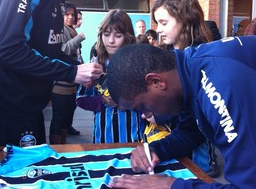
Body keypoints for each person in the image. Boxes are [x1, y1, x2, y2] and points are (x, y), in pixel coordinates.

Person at [0, 0, 118, 147]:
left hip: (28, 105)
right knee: (20, 173)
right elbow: (7, 49)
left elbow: (48, 50)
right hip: (7, 104)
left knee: (37, 170)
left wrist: (78, 68)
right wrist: (71, 73)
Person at [107, 37, 256, 188]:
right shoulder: (187, 71)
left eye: (142, 107)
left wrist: (170, 185)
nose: (148, 114)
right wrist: (155, 150)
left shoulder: (221, 88)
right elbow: (191, 132)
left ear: (156, 81)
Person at [151, 0, 218, 177]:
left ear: (185, 19)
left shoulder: (202, 58)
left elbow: (193, 120)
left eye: (164, 23)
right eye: (158, 23)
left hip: (196, 146)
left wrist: (160, 115)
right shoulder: (168, 54)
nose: (158, 29)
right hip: (173, 138)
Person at [76, 9, 144, 143]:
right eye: (106, 34)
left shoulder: (140, 65)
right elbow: (80, 99)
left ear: (128, 36)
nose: (111, 41)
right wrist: (101, 100)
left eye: (118, 35)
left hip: (134, 138)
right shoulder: (94, 66)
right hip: (102, 138)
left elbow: (153, 101)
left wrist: (132, 102)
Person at [50, 2, 85, 144]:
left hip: (71, 81)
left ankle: (63, 148)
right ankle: (55, 151)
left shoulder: (70, 30)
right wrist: (79, 38)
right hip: (61, 83)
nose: (70, 17)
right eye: (67, 14)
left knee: (65, 119)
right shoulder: (60, 29)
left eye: (73, 14)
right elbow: (63, 50)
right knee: (59, 118)